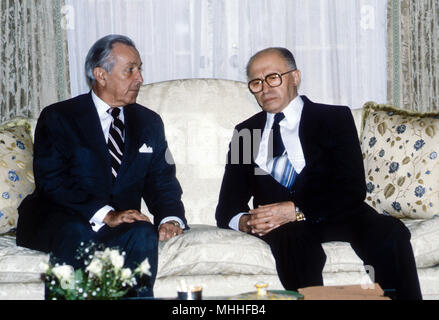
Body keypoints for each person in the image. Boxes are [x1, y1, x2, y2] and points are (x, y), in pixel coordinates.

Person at [215, 47, 422, 300]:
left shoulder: (334, 118)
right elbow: (227, 207)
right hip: (284, 227)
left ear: (295, 77)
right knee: (294, 244)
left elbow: (352, 187)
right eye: (256, 83)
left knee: (389, 231)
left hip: (341, 213)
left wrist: (297, 209)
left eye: (273, 77)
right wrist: (247, 222)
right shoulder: (245, 133)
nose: (265, 88)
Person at [16, 34, 187, 297]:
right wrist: (105, 214)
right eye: (130, 70)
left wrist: (170, 218)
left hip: (117, 222)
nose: (139, 78)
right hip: (59, 219)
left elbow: (161, 179)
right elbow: (53, 182)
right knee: (76, 230)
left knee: (142, 231)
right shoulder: (59, 116)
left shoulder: (149, 122)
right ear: (101, 75)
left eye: (139, 69)